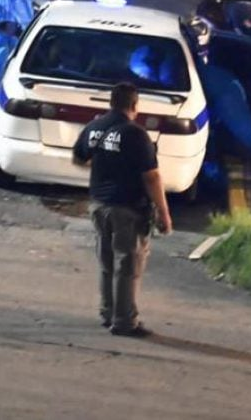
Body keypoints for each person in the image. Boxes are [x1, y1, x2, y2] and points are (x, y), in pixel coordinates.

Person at [72, 82, 172, 337]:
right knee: (128, 266)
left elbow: (79, 159)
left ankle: (108, 313)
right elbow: (151, 177)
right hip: (127, 208)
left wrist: (105, 166)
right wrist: (163, 212)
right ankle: (125, 322)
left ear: (111, 103)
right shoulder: (135, 134)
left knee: (106, 262)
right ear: (134, 105)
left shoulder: (94, 127)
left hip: (99, 205)